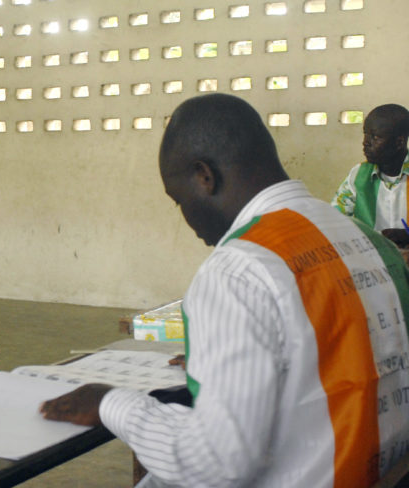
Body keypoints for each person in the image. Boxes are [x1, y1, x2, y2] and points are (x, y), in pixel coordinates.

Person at [41, 93, 409, 487]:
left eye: (178, 199)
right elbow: (340, 345)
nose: (186, 218)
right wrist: (233, 357)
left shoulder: (237, 271)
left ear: (205, 176)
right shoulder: (366, 238)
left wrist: (108, 402)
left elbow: (214, 464)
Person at [332, 104, 409, 246]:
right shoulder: (359, 176)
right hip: (375, 262)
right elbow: (335, 221)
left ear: (399, 142)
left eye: (375, 137)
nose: (365, 143)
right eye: (365, 134)